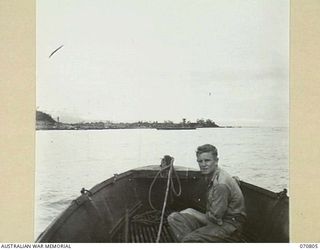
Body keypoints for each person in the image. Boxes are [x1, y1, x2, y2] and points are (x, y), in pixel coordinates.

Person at [167, 144, 247, 242]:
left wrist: (191, 211)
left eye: (207, 160)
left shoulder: (220, 185)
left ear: (216, 161)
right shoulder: (212, 175)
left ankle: (192, 241)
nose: (203, 164)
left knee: (190, 239)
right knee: (174, 218)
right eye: (200, 161)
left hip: (229, 227)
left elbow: (214, 220)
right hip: (217, 221)